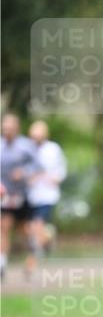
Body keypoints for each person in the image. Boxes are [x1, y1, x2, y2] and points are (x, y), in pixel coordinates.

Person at [0, 113, 40, 280]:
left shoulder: (25, 145)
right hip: (4, 195)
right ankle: (2, 263)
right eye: (5, 127)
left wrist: (24, 173)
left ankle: (31, 260)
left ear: (17, 128)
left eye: (10, 128)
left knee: (24, 232)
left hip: (22, 196)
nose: (7, 130)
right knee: (4, 227)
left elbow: (37, 165)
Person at [26, 120, 68, 267]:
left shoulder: (53, 149)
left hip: (48, 195)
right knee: (31, 228)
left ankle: (33, 260)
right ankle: (48, 238)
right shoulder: (28, 149)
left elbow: (62, 168)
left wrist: (56, 178)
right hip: (31, 195)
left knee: (37, 225)